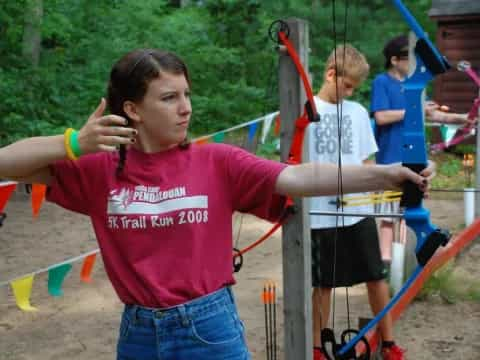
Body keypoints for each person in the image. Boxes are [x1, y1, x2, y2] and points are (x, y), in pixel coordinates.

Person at [0, 49, 432, 360]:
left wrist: (387, 173)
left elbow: (298, 176)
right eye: (169, 98)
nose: (186, 108)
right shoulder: (99, 168)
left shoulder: (215, 160)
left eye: (186, 94)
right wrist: (74, 142)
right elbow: (5, 162)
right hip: (137, 332)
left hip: (208, 328)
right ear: (132, 109)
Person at [307, 45, 406, 360]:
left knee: (376, 277)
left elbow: (367, 163)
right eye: (346, 85)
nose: (349, 92)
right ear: (330, 73)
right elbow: (294, 164)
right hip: (319, 215)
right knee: (323, 285)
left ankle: (389, 343)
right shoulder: (304, 110)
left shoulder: (358, 113)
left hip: (358, 211)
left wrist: (380, 186)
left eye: (354, 88)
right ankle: (315, 348)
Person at [371, 34, 476, 270]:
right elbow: (381, 116)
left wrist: (464, 119)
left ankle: (403, 264)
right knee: (388, 217)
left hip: (414, 159)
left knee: (410, 214)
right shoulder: (382, 82)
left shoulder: (414, 86)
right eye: (411, 59)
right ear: (395, 60)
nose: (416, 65)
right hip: (390, 158)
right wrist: (411, 111)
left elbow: (434, 114)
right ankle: (385, 262)